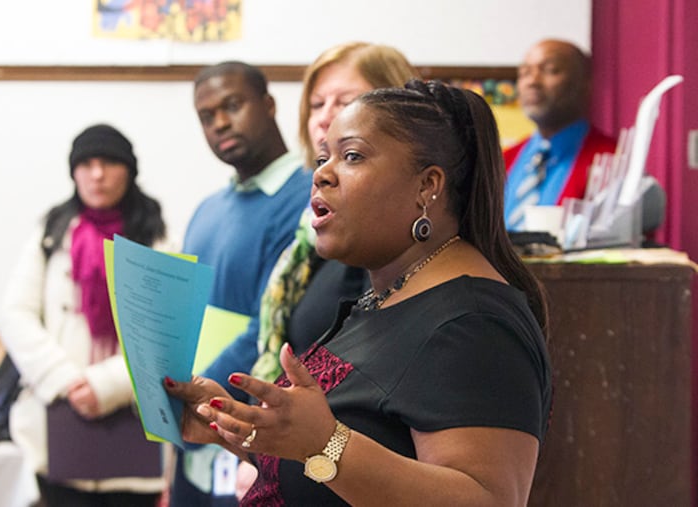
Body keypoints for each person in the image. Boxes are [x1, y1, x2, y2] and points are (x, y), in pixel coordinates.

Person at [164, 79, 553, 506]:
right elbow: (333, 468)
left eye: (351, 156)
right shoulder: (385, 298)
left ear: (428, 186)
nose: (321, 174)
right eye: (322, 157)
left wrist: (326, 443)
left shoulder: (473, 322)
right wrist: (233, 422)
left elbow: (488, 500)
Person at [0, 124, 168, 506]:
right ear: (73, 172)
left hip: (132, 428)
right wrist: (67, 381)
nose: (96, 175)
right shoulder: (52, 230)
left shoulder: (156, 235)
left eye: (108, 163)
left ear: (129, 170)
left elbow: (165, 333)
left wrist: (106, 385)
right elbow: (15, 314)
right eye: (86, 164)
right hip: (58, 422)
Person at [170, 61, 313, 507]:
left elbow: (270, 323)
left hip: (252, 434)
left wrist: (190, 394)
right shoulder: (207, 209)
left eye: (232, 105)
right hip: (192, 435)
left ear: (269, 105)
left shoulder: (309, 198)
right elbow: (183, 317)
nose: (220, 123)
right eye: (207, 116)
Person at [503, 39, 617, 231]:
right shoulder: (505, 159)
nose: (532, 81)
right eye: (525, 73)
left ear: (584, 84)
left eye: (550, 70)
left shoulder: (611, 160)